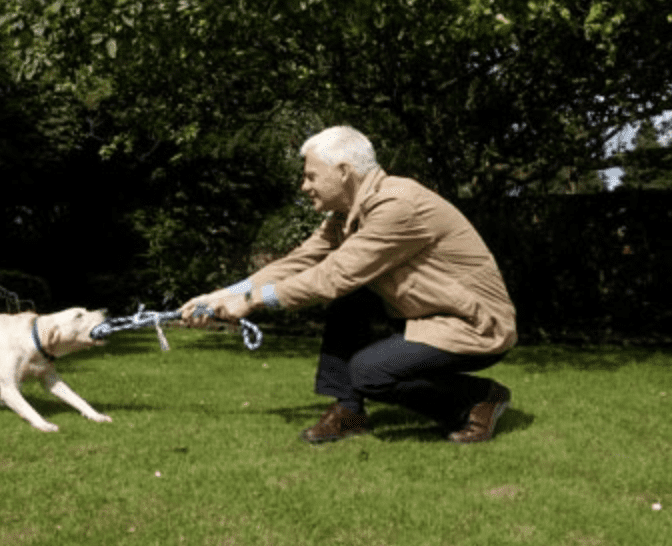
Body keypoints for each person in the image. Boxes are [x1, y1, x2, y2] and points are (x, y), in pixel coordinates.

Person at [180, 126, 517, 444]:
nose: (304, 186)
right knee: (350, 300)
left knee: (370, 373)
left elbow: (332, 276)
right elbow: (299, 262)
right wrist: (222, 296)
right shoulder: (346, 216)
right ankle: (349, 410)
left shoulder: (397, 205)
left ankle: (478, 399)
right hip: (422, 315)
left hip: (473, 325)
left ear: (343, 172)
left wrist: (253, 301)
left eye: (311, 175)